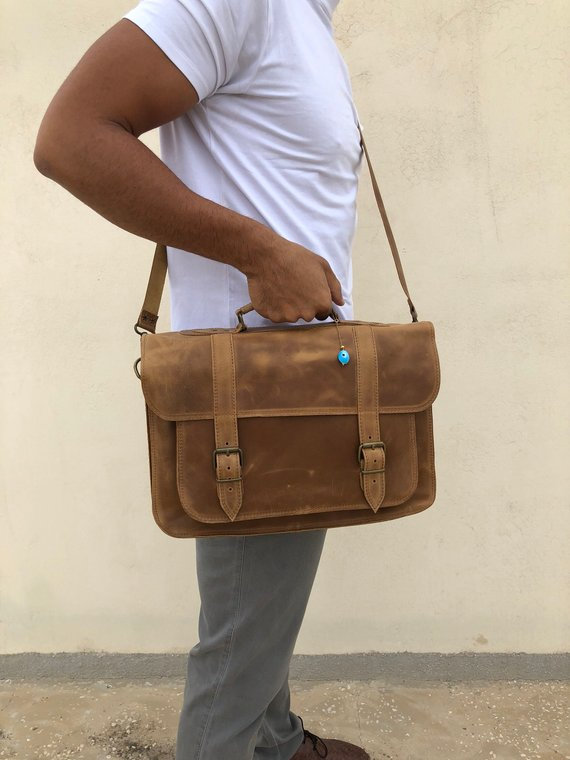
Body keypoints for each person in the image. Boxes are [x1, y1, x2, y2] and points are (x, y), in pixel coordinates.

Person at [33, 1, 369, 757]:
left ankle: (275, 741)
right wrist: (259, 252)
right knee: (241, 637)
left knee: (263, 603)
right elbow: (69, 139)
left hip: (304, 376)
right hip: (253, 393)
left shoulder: (307, 22)